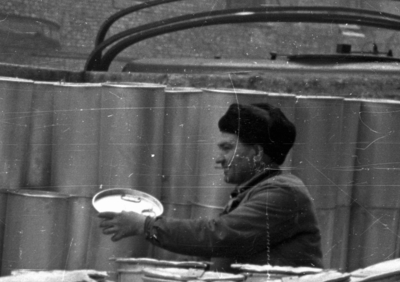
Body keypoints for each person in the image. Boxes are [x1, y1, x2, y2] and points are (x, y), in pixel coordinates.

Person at [99, 101, 323, 270]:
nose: (219, 158)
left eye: (227, 148)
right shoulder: (254, 190)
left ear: (256, 153)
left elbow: (220, 236)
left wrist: (146, 226)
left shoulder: (282, 193)